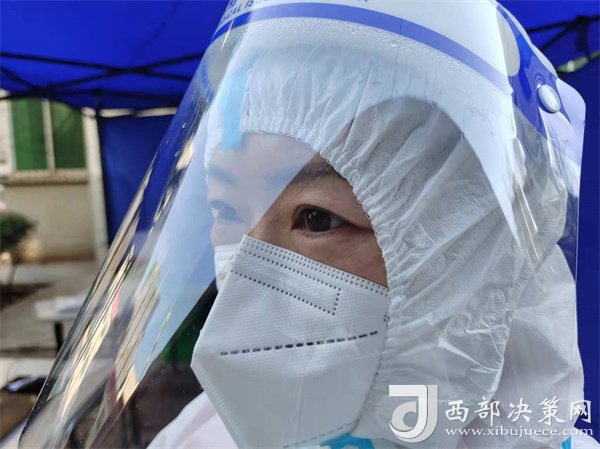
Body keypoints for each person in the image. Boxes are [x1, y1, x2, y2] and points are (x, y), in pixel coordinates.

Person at [21, 1, 597, 449]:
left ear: (474, 248)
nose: (244, 272)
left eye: (316, 218)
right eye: (226, 211)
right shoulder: (203, 433)